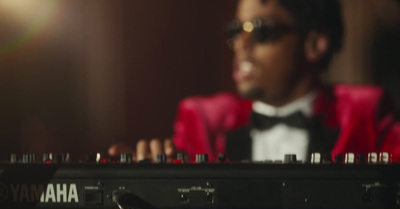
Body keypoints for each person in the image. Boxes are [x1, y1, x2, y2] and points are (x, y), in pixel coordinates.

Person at [109, 0, 400, 162]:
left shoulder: (365, 112)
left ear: (314, 44)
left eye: (260, 30)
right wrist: (146, 179)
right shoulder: (203, 119)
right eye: (236, 30)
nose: (240, 45)